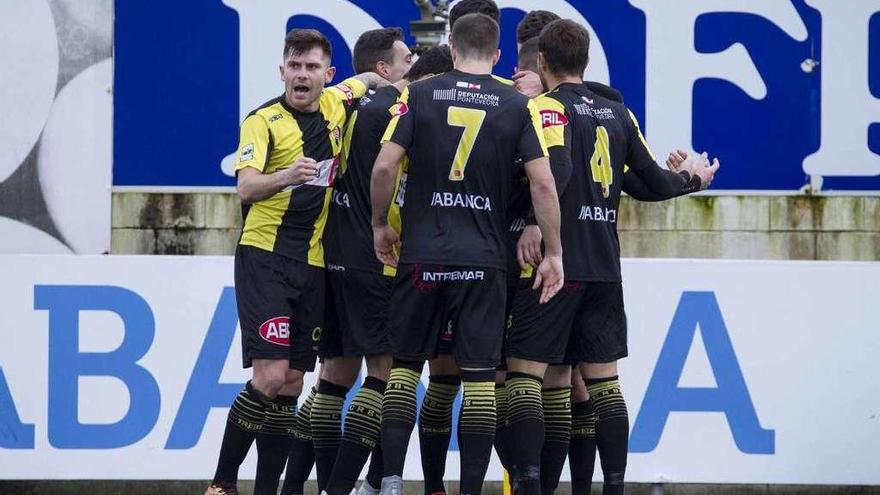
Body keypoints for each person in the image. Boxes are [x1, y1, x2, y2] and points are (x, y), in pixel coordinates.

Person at [504, 19, 719, 495]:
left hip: (555, 269)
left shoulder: (542, 110)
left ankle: (529, 485)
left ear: (541, 62)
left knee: (524, 377)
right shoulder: (618, 113)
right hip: (604, 268)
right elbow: (650, 183)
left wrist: (536, 223)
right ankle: (615, 486)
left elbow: (552, 175)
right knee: (602, 385)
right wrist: (692, 179)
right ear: (586, 62)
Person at [371, 13, 564, 495]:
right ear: (498, 56)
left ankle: (392, 481)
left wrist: (379, 224)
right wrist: (554, 251)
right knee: (479, 381)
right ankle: (471, 489)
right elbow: (543, 182)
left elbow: (384, 167)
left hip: (422, 257)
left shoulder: (417, 94)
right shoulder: (517, 104)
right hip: (484, 260)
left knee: (406, 370)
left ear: (452, 49)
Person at [204, 28, 387, 495]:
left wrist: (407, 84)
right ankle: (222, 484)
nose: (301, 75)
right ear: (282, 70)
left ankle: (268, 489)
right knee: (267, 376)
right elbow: (245, 187)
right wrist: (286, 175)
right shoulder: (262, 121)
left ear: (327, 75)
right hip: (266, 256)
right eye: (294, 66)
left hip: (314, 264)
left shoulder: (337, 102)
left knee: (291, 383)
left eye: (311, 68)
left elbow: (368, 76)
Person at [275, 27, 413, 495]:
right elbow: (389, 170)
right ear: (383, 69)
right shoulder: (395, 108)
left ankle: (294, 487)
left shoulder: (341, 104)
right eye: (404, 61)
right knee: (384, 373)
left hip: (330, 251)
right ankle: (343, 488)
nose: (409, 69)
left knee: (333, 377)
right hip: (371, 257)